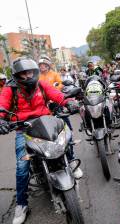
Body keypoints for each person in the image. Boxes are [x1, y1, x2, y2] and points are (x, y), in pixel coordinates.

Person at [0, 57, 81, 224]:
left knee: (66, 140)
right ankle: (21, 204)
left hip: (46, 123)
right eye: (24, 73)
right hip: (24, 129)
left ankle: (70, 161)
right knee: (22, 166)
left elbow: (56, 94)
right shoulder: (10, 89)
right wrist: (1, 120)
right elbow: (2, 106)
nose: (28, 76)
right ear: (17, 75)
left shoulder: (41, 84)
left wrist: (68, 102)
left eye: (31, 71)